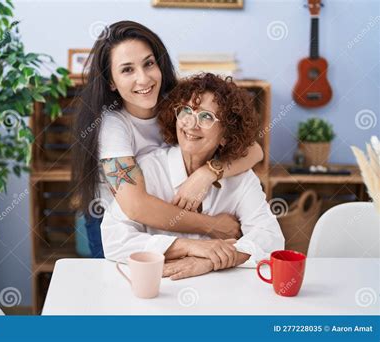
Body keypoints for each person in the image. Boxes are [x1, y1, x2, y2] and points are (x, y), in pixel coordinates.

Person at [72, 21, 263, 257]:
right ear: (111, 81)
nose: (143, 79)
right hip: (118, 223)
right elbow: (135, 206)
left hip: (169, 214)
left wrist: (208, 173)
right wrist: (210, 225)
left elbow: (254, 151)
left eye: (148, 64)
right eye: (127, 70)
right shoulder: (112, 125)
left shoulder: (178, 104)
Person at [101, 73, 284, 280]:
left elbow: (271, 239)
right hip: (159, 291)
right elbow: (114, 240)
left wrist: (207, 261)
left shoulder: (241, 178)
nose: (191, 123)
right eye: (186, 111)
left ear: (226, 134)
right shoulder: (149, 169)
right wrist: (190, 247)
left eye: (206, 117)